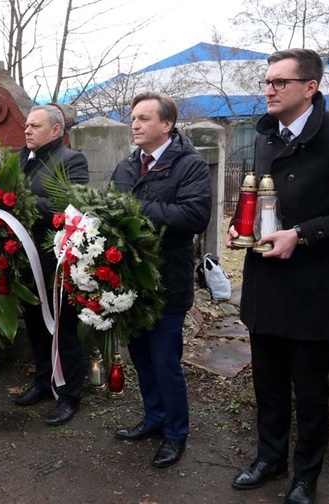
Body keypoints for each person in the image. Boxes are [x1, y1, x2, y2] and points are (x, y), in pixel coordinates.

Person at [226, 49, 329, 504]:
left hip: (310, 284)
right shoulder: (266, 134)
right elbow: (259, 195)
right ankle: (270, 459)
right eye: (266, 82)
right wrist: (239, 225)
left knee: (309, 390)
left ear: (310, 87)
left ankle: (305, 476)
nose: (268, 90)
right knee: (267, 381)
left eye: (279, 83)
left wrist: (304, 235)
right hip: (265, 281)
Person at [110, 92, 211, 468]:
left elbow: (195, 216)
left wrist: (135, 210)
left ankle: (175, 434)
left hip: (168, 280)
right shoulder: (126, 166)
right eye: (133, 118)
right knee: (141, 358)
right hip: (131, 282)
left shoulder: (190, 165)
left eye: (143, 119)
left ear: (166, 125)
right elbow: (110, 211)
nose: (134, 124)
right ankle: (154, 419)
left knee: (165, 361)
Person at [11, 104, 88, 426]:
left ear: (56, 130)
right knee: (34, 322)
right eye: (26, 125)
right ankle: (43, 380)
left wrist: (22, 201)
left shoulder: (71, 160)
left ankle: (70, 394)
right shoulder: (18, 160)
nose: (27, 130)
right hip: (24, 257)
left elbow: (70, 205)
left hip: (55, 258)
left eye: (35, 126)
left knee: (62, 327)